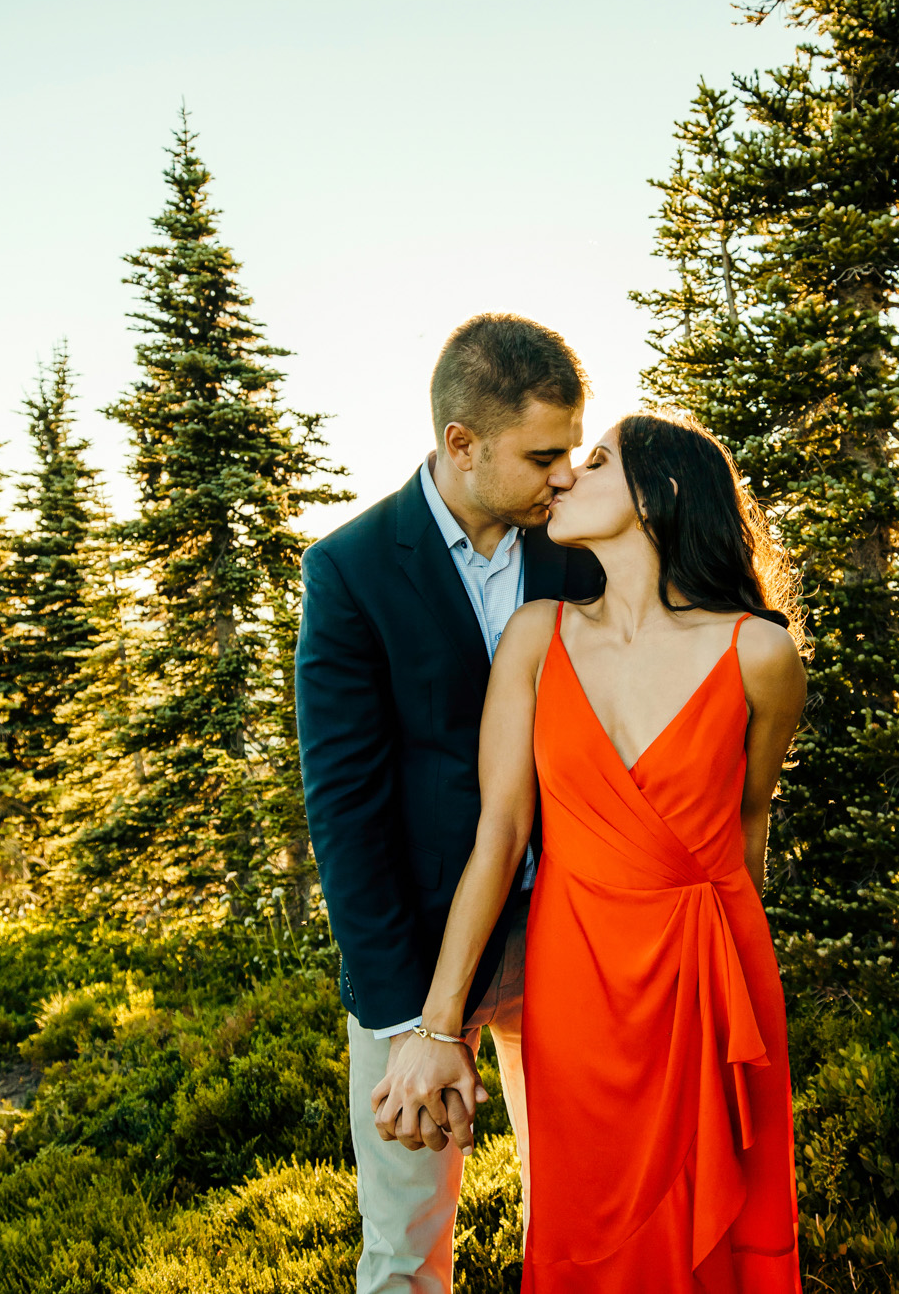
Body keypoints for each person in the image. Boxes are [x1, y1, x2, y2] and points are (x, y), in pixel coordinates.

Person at [375, 408, 807, 1292]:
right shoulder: (538, 634)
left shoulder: (760, 651)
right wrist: (438, 1021)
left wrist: (737, 995)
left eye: (598, 459)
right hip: (576, 981)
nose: (566, 475)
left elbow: (750, 817)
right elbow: (500, 833)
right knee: (587, 1216)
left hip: (710, 974)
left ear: (660, 495)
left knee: (713, 1226)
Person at [296, 312, 605, 1293]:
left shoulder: (575, 549)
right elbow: (343, 808)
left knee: (578, 1210)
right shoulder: (348, 571)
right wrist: (402, 1021)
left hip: (564, 936)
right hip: (418, 956)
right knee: (405, 1240)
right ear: (460, 445)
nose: (564, 478)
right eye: (542, 455)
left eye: (572, 452)